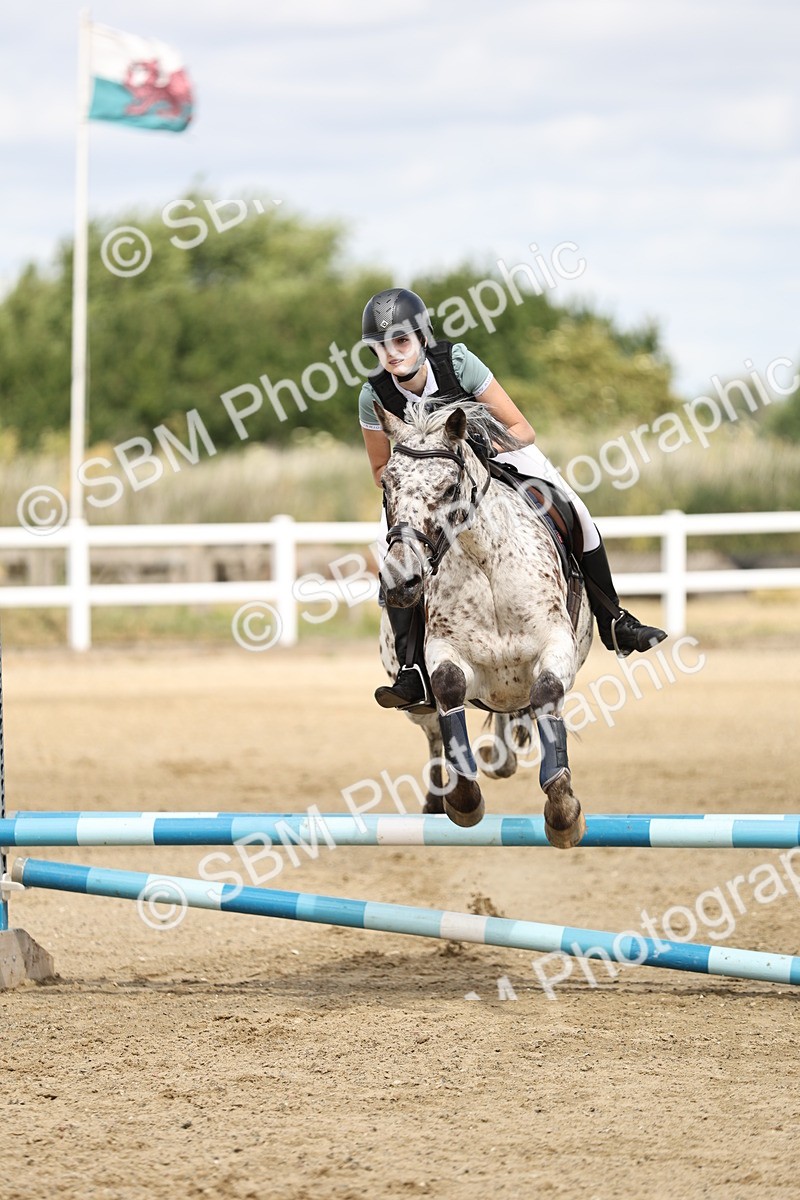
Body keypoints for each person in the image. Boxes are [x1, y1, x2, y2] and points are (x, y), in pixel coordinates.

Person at [358, 287, 667, 712]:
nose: (391, 354)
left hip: (501, 452)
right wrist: (417, 472)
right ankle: (411, 669)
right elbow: (379, 470)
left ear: (421, 337)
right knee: (388, 549)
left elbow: (522, 429)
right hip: (426, 484)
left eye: (400, 341)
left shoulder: (458, 363)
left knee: (577, 511)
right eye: (380, 346)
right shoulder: (372, 395)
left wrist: (480, 449)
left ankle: (614, 619)